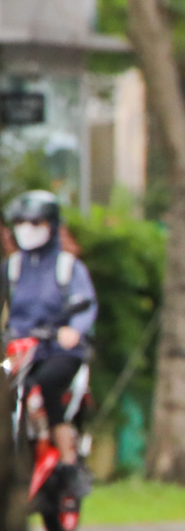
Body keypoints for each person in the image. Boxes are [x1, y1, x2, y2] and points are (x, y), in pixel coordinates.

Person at [5, 191, 94, 470]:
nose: (27, 230)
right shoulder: (12, 268)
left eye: (35, 223)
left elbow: (85, 303)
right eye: (21, 223)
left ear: (52, 225)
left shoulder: (68, 267)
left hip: (58, 351)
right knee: (3, 379)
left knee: (45, 384)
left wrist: (73, 331)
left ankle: (67, 462)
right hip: (19, 352)